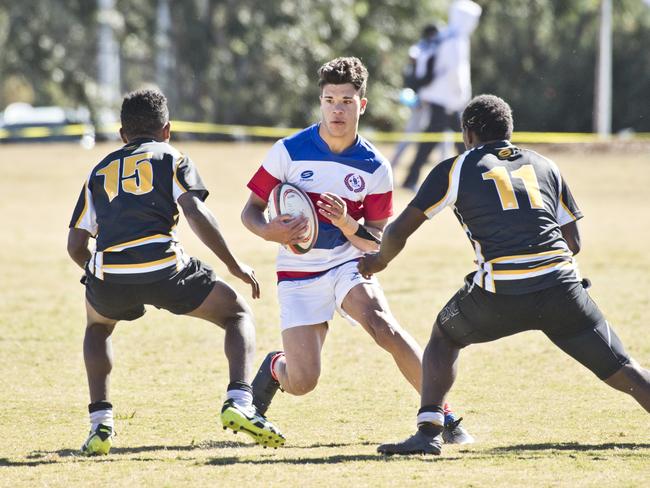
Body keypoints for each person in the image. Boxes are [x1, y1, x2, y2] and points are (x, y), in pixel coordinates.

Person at [359, 94, 650, 456]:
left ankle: (429, 431)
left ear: (468, 134)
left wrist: (377, 262)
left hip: (500, 294)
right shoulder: (545, 165)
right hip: (563, 291)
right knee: (623, 368)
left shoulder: (457, 167)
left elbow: (398, 231)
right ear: (508, 130)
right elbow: (573, 241)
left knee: (445, 335)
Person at [241, 57, 472, 445]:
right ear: (320, 101)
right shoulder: (289, 151)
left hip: (346, 264)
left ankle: (440, 413)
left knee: (384, 325)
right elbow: (250, 210)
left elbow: (377, 241)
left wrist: (349, 224)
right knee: (303, 381)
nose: (337, 108)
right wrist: (269, 231)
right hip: (298, 272)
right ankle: (276, 367)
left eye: (346, 100)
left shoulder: (374, 166)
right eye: (329, 99)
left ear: (361, 105)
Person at [67, 88, 285, 455]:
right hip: (165, 268)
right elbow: (195, 213)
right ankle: (239, 402)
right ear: (166, 130)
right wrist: (234, 265)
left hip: (110, 273)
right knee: (236, 313)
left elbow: (75, 246)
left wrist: (96, 275)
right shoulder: (172, 156)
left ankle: (100, 425)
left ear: (123, 135)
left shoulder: (98, 170)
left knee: (98, 326)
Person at [402, 0, 482, 190]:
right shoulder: (456, 40)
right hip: (449, 101)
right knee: (464, 138)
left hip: (440, 99)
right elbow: (456, 72)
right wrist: (463, 97)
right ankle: (471, 178)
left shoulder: (445, 36)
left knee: (446, 140)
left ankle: (411, 179)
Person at [390, 23, 441, 168]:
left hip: (433, 100)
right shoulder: (421, 49)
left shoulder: (432, 48)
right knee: (411, 133)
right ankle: (393, 164)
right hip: (421, 99)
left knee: (440, 136)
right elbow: (415, 73)